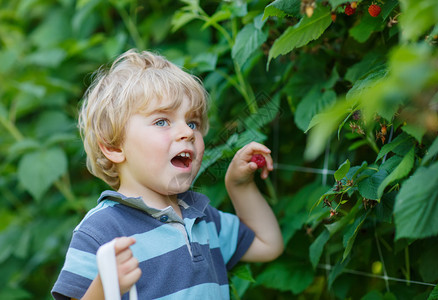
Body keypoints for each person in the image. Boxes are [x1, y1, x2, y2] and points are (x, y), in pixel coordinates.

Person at [51, 49, 283, 299]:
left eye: (192, 123)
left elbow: (269, 245)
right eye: (162, 121)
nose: (187, 132)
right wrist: (104, 288)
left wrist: (240, 186)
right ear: (114, 147)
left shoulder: (202, 217)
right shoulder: (100, 231)